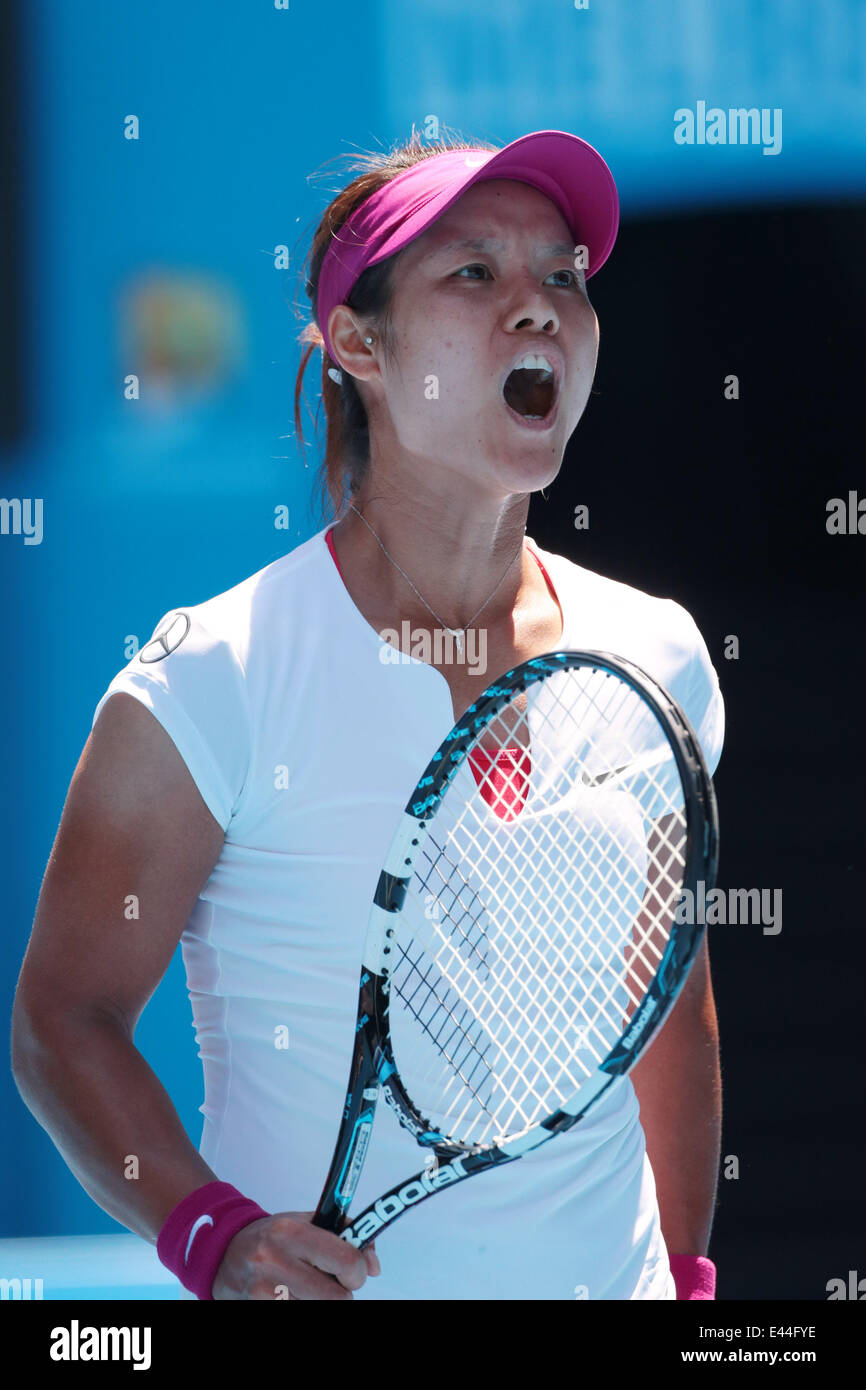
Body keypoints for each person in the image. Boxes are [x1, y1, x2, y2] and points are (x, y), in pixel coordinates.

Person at [12, 128, 723, 1301]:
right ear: (357, 344)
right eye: (473, 274)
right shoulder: (208, 679)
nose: (538, 307)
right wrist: (212, 1234)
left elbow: (665, 1011)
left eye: (563, 275)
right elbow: (63, 1021)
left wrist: (689, 1284)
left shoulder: (659, 658)